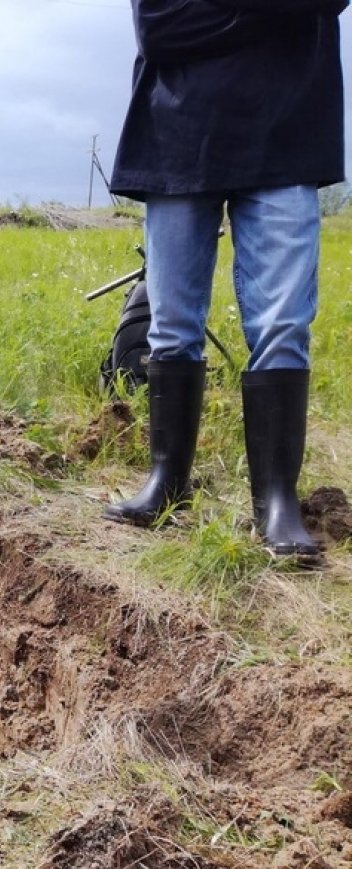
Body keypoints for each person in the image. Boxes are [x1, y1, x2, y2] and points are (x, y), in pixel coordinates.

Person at [104, 1, 346, 561]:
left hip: (288, 132)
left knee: (284, 325)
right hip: (177, 134)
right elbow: (161, 27)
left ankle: (276, 503)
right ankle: (167, 482)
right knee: (171, 326)